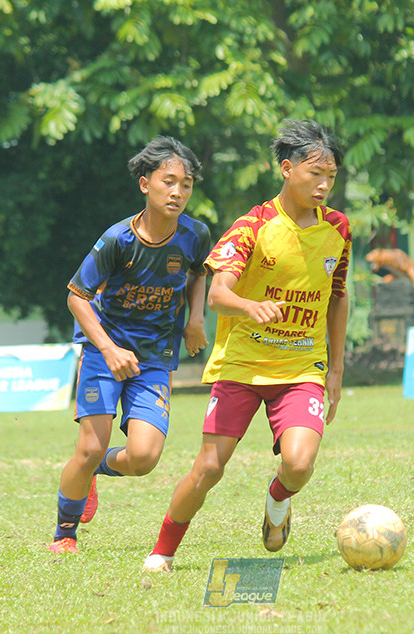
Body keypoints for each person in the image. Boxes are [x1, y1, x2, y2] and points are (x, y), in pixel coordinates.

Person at [142, 119, 351, 573]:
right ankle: (163, 551)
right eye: (314, 174)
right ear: (286, 168)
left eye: (330, 177)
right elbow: (218, 294)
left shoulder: (338, 229)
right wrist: (249, 306)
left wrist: (335, 370)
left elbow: (338, 296)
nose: (323, 185)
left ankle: (278, 501)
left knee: (298, 463)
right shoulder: (251, 226)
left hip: (302, 368)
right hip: (242, 365)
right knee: (209, 469)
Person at [50, 136, 211, 554]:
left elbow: (199, 274)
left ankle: (94, 471)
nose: (178, 192)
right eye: (169, 181)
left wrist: (196, 320)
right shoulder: (118, 239)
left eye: (186, 184)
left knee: (143, 459)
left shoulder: (195, 234)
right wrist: (108, 349)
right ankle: (64, 533)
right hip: (107, 350)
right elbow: (75, 296)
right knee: (88, 446)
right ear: (145, 184)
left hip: (155, 356)